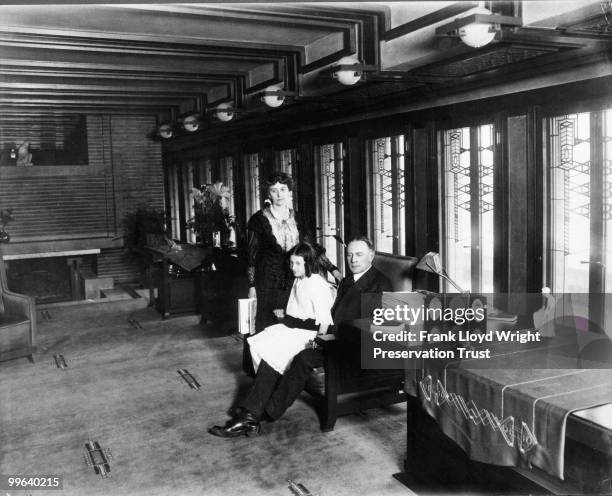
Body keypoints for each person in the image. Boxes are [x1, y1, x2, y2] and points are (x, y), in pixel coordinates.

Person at [209, 236, 391, 437]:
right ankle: (251, 416)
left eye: (359, 254)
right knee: (275, 353)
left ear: (371, 256)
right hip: (331, 339)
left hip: (352, 348)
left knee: (302, 357)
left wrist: (325, 339)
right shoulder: (347, 280)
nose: (353, 259)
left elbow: (371, 328)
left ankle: (259, 413)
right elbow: (332, 314)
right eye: (349, 255)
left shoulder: (381, 283)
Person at [246, 172, 340, 333]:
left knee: (288, 325)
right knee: (264, 325)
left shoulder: (299, 218)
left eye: (283, 189)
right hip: (267, 280)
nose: (279, 194)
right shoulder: (258, 219)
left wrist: (333, 269)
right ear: (268, 194)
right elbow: (251, 255)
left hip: (292, 278)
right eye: (274, 190)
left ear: (290, 192)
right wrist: (252, 286)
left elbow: (311, 248)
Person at [247, 242, 334, 376]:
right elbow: (295, 307)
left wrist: (317, 345)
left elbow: (325, 320)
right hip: (294, 327)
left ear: (308, 263)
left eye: (298, 263)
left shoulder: (317, 283)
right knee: (256, 343)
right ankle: (269, 379)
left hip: (309, 333)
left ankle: (272, 379)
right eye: (291, 263)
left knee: (268, 348)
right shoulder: (298, 279)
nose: (293, 267)